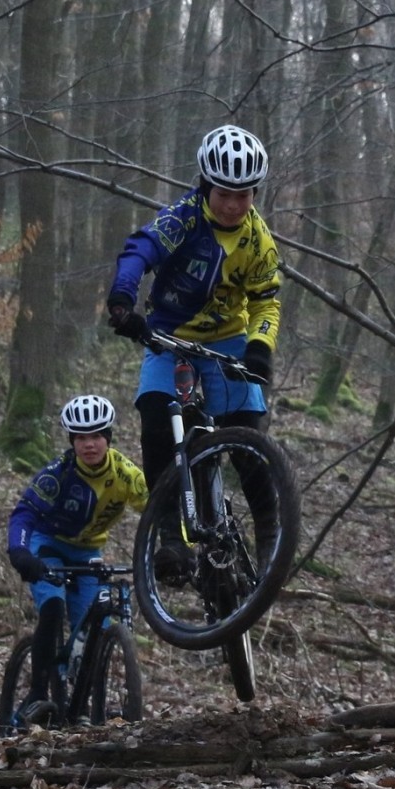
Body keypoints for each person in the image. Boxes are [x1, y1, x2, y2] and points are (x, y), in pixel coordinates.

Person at [106, 124, 281, 579]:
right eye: (224, 192)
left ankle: (271, 538)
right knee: (156, 416)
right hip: (169, 333)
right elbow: (140, 250)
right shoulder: (183, 217)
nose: (233, 204)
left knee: (249, 440)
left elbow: (266, 299)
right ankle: (170, 538)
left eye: (244, 195)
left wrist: (260, 348)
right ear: (206, 186)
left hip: (227, 339)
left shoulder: (258, 241)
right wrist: (124, 298)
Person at [7, 394, 148, 726]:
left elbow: (156, 510)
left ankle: (81, 704)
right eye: (82, 437)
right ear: (72, 441)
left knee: (94, 626)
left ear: (108, 438)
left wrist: (176, 546)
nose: (90, 444)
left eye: (97, 435)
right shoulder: (57, 475)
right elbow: (24, 515)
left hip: (88, 553)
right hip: (49, 547)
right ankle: (39, 693)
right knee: (53, 608)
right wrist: (21, 552)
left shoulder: (126, 474)